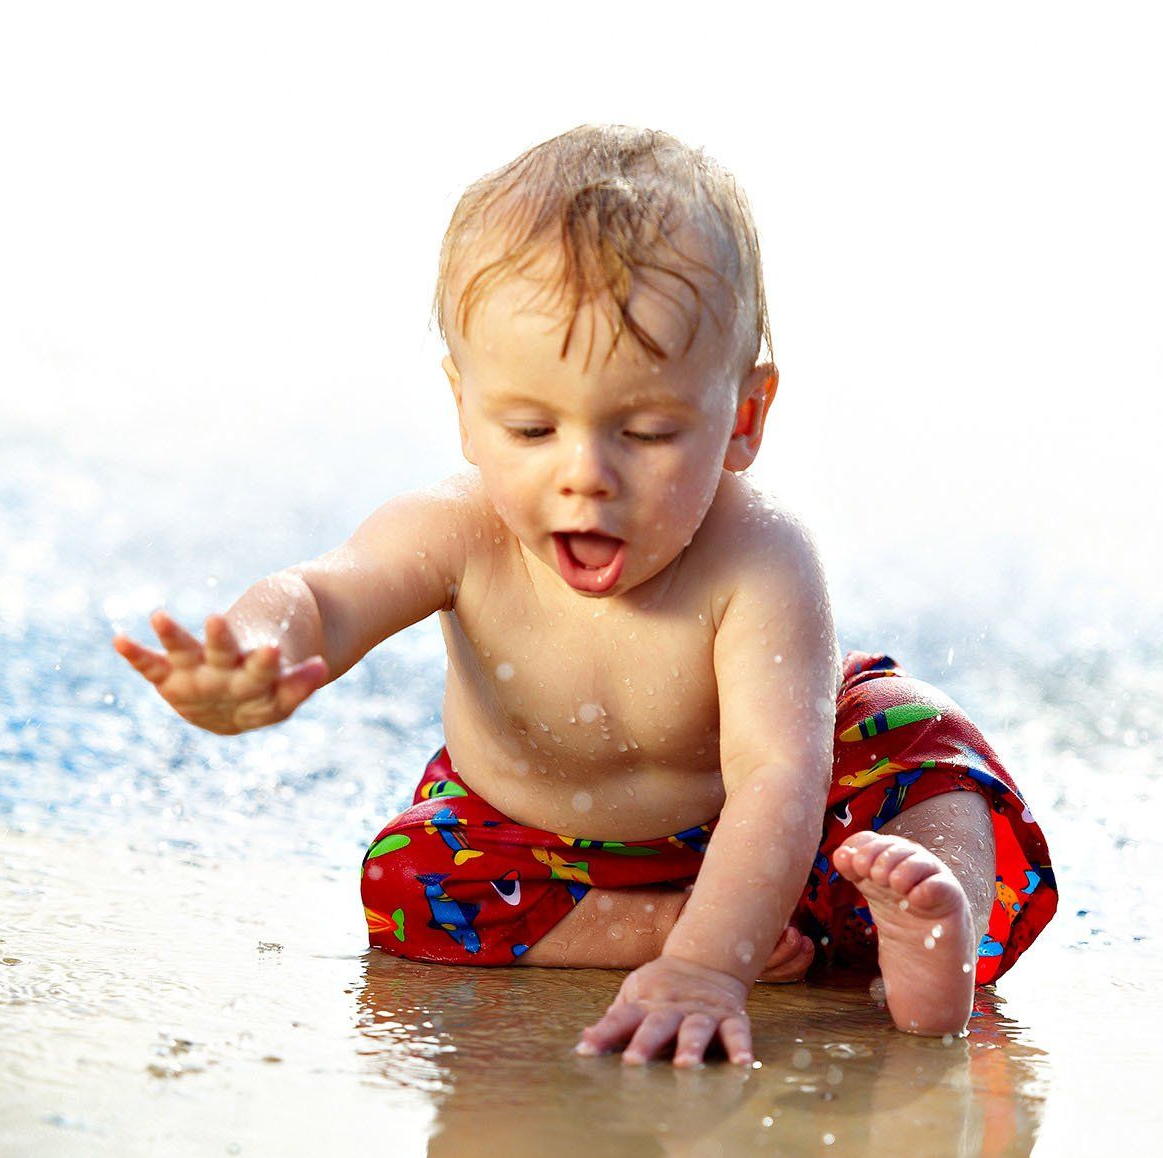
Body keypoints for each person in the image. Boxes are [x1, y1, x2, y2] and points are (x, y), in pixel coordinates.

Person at [113, 125, 1056, 1065]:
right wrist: (253, 648)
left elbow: (779, 777)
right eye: (530, 428)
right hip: (541, 851)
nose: (585, 474)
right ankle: (643, 925)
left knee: (921, 751)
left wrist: (708, 967)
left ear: (745, 418)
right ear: (464, 410)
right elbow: (321, 594)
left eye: (644, 432)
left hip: (775, 832)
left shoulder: (758, 558)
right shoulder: (457, 531)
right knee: (409, 881)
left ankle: (940, 931)